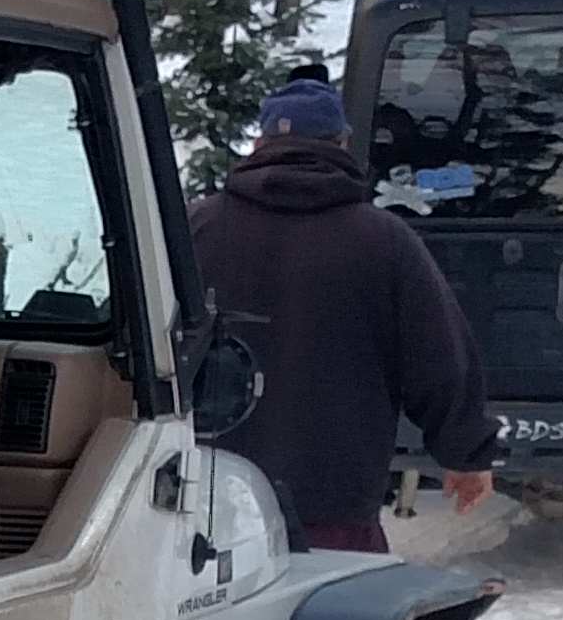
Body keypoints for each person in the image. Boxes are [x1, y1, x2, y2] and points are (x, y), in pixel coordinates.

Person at [182, 73, 499, 555]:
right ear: (342, 144)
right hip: (335, 506)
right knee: (332, 604)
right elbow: (438, 355)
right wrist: (465, 452)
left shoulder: (195, 228)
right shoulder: (386, 241)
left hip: (208, 503)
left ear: (260, 144)